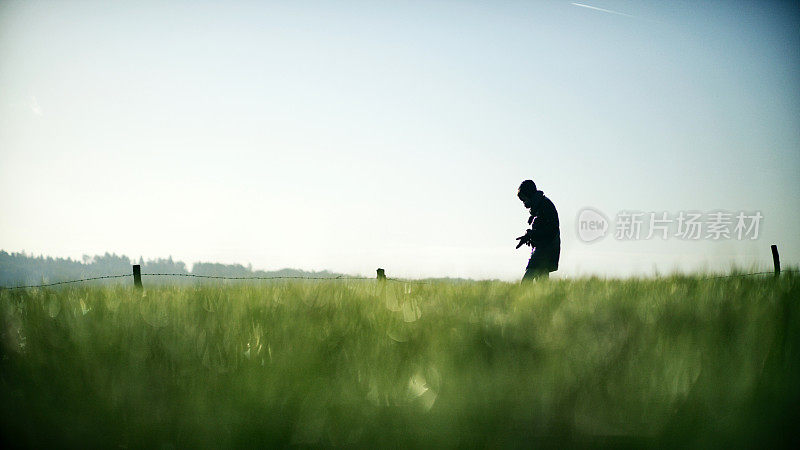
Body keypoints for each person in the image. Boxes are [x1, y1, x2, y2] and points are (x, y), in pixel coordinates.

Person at [515, 180, 560, 281]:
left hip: (545, 250)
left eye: (523, 199)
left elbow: (551, 230)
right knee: (543, 286)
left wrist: (531, 235)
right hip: (544, 249)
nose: (523, 202)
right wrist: (531, 236)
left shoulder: (544, 206)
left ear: (528, 194)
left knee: (527, 280)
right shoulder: (540, 206)